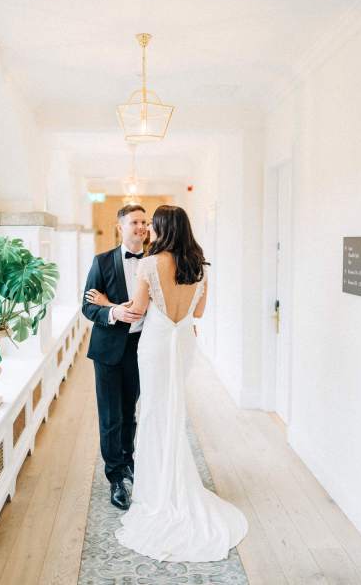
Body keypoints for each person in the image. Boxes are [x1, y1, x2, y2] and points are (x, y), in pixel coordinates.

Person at [86, 204, 248, 562]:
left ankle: (157, 488)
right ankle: (164, 477)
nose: (147, 231)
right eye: (140, 224)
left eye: (151, 225)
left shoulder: (150, 263)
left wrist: (107, 303)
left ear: (162, 229)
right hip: (183, 343)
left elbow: (139, 309)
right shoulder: (200, 267)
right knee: (172, 410)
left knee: (156, 411)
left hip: (157, 344)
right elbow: (199, 313)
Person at [82, 204, 147, 511]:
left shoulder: (154, 262)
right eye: (134, 222)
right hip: (108, 350)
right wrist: (112, 310)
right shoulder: (102, 261)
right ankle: (116, 478)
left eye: (144, 221)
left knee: (129, 412)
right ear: (121, 227)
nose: (141, 226)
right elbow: (88, 307)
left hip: (141, 348)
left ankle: (129, 460)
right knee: (111, 417)